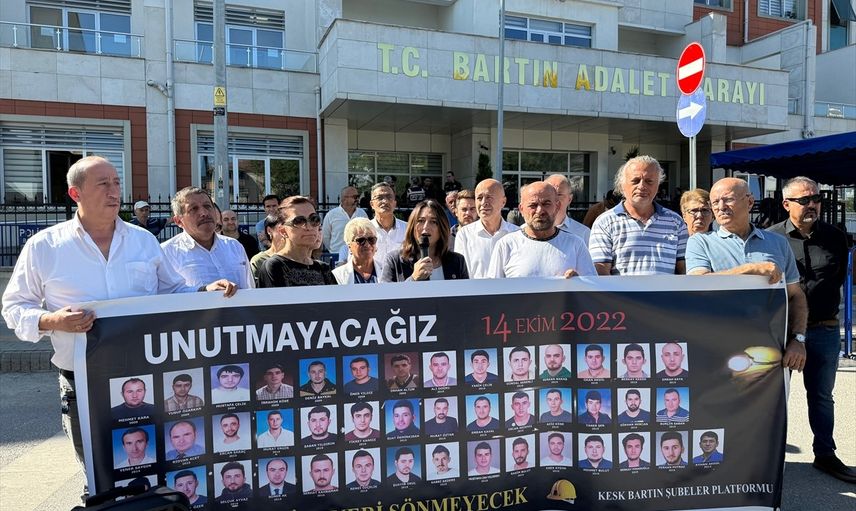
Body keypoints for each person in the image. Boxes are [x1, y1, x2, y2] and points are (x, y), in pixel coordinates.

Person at [0, 156, 235, 479]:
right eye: (103, 184)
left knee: (149, 467)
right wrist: (52, 321)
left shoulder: (143, 241)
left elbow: (172, 291)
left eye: (116, 182)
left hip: (145, 376)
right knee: (97, 474)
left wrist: (205, 291)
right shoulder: (45, 246)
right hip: (84, 379)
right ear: (75, 193)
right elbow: (14, 307)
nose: (114, 191)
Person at [768, 176, 856, 483]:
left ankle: (825, 454)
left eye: (816, 199)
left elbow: (837, 279)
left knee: (821, 396)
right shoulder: (771, 238)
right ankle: (768, 458)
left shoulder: (835, 237)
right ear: (786, 204)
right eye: (804, 200)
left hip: (824, 330)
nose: (812, 205)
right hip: (781, 333)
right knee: (774, 397)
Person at [685, 177, 807, 373]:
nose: (721, 207)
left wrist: (798, 339)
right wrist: (750, 269)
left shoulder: (778, 243)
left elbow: (795, 295)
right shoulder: (701, 242)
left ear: (749, 202)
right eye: (715, 202)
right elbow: (697, 284)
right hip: (716, 349)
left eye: (728, 199)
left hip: (770, 351)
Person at [589, 155, 688, 275]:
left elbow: (684, 270)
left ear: (658, 185)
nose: (642, 186)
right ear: (622, 185)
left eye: (649, 181)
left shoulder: (676, 222)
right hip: (619, 289)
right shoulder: (604, 222)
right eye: (635, 181)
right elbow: (600, 272)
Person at [489, 182, 594, 278]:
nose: (539, 211)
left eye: (546, 204)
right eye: (533, 205)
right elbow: (493, 289)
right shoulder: (506, 245)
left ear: (557, 207)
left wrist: (579, 281)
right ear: (521, 209)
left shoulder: (575, 244)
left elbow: (592, 287)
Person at [161, 186, 254, 289]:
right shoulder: (167, 252)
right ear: (178, 221)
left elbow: (250, 290)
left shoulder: (234, 246)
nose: (204, 213)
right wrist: (204, 291)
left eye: (207, 206)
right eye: (194, 209)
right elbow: (166, 294)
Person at [381, 200, 468, 281]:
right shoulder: (394, 260)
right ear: (412, 226)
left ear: (442, 227)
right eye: (421, 221)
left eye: (433, 222)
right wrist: (413, 278)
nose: (426, 227)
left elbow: (466, 292)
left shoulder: (457, 261)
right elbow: (386, 292)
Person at [258, 196, 337, 287]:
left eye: (314, 219)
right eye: (299, 221)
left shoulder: (324, 269)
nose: (309, 227)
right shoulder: (275, 266)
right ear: (283, 231)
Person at [454, 179, 519, 278]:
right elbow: (460, 274)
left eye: (489, 197)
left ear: (503, 202)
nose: (484, 203)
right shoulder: (464, 235)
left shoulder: (517, 234)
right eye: (479, 198)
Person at [366, 183, 407, 268]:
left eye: (389, 197)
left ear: (395, 203)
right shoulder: (364, 230)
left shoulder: (407, 229)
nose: (385, 201)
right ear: (372, 204)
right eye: (379, 198)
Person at [545, 174, 591, 245]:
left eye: (559, 194)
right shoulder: (529, 231)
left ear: (569, 199)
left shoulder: (583, 233)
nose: (553, 199)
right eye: (549, 194)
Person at [322, 186, 368, 254]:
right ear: (344, 198)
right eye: (355, 197)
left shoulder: (362, 213)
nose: (358, 199)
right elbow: (325, 237)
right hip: (337, 255)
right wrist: (334, 250)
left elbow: (367, 233)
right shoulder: (331, 215)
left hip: (358, 255)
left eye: (358, 196)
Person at [334, 219, 380, 284]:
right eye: (361, 240)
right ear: (349, 246)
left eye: (371, 239)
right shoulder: (337, 275)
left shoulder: (387, 271)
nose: (367, 245)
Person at [250, 214, 285, 285]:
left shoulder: (300, 258)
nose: (285, 232)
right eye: (281, 229)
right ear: (269, 230)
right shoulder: (259, 260)